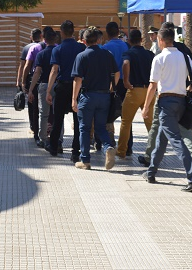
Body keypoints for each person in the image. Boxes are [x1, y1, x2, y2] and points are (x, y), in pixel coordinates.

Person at [141, 25, 192, 192]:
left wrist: (146, 107)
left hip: (166, 102)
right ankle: (151, 172)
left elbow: (152, 85)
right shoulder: (184, 57)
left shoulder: (159, 58)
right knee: (161, 140)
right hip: (181, 102)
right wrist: (188, 90)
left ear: (161, 40)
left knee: (176, 141)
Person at [71, 27, 119, 170]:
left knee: (84, 128)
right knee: (100, 127)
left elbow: (78, 79)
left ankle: (85, 161)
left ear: (84, 41)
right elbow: (116, 73)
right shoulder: (107, 54)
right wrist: (112, 87)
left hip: (87, 96)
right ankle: (108, 146)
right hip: (104, 96)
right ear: (99, 40)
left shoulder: (81, 56)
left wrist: (74, 99)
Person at [46, 20, 85, 160]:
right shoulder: (81, 48)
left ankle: (54, 147)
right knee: (78, 120)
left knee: (58, 118)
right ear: (73, 31)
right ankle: (75, 151)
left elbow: (54, 70)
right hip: (77, 86)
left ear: (61, 32)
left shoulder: (58, 49)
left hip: (62, 86)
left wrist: (48, 90)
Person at [116, 30, 155, 159]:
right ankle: (154, 150)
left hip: (134, 90)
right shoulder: (150, 54)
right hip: (149, 91)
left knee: (126, 122)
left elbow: (126, 63)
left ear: (129, 41)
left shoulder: (129, 53)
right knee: (150, 123)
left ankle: (121, 151)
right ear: (142, 39)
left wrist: (126, 81)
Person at [28, 29, 62, 148]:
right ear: (56, 39)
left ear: (44, 39)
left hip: (44, 84)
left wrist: (31, 89)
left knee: (44, 113)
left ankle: (43, 138)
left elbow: (37, 72)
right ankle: (59, 138)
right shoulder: (59, 51)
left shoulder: (41, 54)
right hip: (59, 84)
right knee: (58, 113)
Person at [103, 21, 130, 152]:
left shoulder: (105, 48)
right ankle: (127, 146)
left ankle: (109, 142)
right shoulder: (126, 46)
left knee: (108, 114)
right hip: (125, 83)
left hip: (110, 84)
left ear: (107, 33)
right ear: (118, 32)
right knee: (126, 116)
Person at [23, 27, 53, 144]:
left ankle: (38, 134)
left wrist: (24, 81)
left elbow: (28, 66)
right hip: (54, 82)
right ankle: (51, 133)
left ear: (42, 36)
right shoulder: (57, 48)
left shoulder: (35, 48)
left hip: (38, 82)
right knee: (53, 110)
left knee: (37, 109)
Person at [17, 28, 42, 135]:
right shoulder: (44, 47)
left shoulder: (27, 48)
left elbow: (23, 66)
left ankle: (33, 126)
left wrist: (20, 81)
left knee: (31, 103)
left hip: (30, 77)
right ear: (41, 36)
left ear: (31, 37)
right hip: (43, 78)